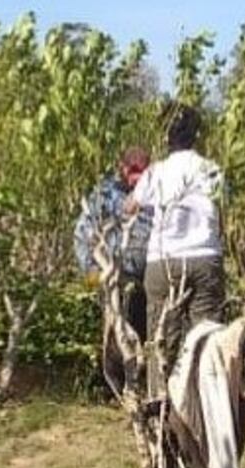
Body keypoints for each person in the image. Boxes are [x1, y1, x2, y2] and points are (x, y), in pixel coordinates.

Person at [124, 103, 226, 400]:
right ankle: (208, 401)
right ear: (197, 135)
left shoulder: (156, 173)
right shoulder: (211, 170)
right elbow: (224, 213)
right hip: (205, 257)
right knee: (207, 337)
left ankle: (161, 404)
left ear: (166, 136)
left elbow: (131, 205)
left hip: (163, 261)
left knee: (161, 340)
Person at [73, 147, 152, 386]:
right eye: (132, 167)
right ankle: (116, 387)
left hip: (149, 278)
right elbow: (83, 233)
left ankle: (145, 385)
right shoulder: (105, 195)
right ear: (122, 167)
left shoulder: (156, 192)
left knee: (146, 334)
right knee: (116, 333)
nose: (136, 174)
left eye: (142, 168)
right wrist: (91, 271)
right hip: (115, 277)